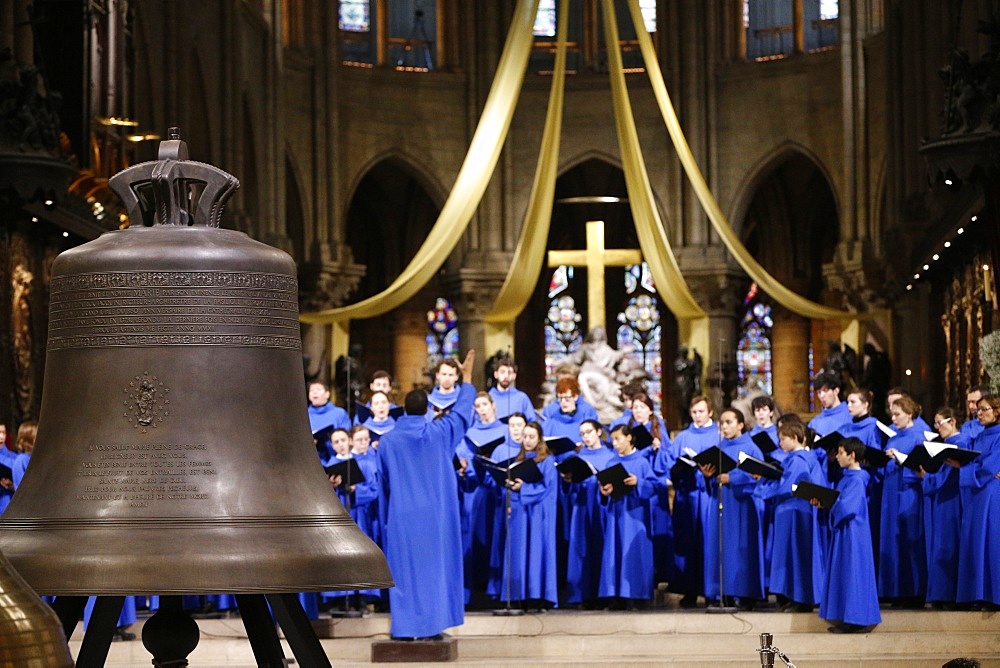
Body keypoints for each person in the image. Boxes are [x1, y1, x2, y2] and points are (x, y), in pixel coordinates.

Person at [378, 375, 476, 640]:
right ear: (428, 410)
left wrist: (384, 519)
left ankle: (404, 628)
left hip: (401, 517)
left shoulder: (388, 442)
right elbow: (463, 413)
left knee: (404, 573)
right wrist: (465, 382)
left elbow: (382, 484)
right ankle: (432, 627)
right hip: (434, 516)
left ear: (403, 410)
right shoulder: (439, 433)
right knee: (433, 571)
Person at [752, 420, 825, 612]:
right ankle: (797, 598)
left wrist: (763, 486)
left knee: (795, 555)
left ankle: (800, 599)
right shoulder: (805, 458)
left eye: (782, 439)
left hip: (794, 512)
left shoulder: (799, 460)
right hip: (796, 511)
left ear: (794, 438)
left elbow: (789, 487)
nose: (780, 444)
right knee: (795, 555)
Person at [700, 408, 765, 610]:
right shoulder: (718, 447)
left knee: (740, 549)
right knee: (719, 547)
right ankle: (723, 593)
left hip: (742, 505)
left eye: (729, 422)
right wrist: (707, 474)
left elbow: (759, 477)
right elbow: (712, 480)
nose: (724, 427)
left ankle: (745, 594)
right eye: (722, 423)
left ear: (740, 425)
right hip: (720, 501)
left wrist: (733, 477)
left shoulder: (751, 448)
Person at [815, 437, 881, 634]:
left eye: (841, 453)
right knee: (845, 570)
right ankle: (847, 617)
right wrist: (824, 504)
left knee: (853, 571)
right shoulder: (847, 477)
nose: (837, 456)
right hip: (845, 531)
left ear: (852, 456)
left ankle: (857, 619)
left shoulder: (858, 479)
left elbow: (847, 507)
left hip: (853, 533)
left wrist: (830, 504)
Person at [496, 421, 558, 610]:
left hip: (539, 513)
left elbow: (548, 489)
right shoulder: (518, 460)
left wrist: (525, 488)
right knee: (519, 551)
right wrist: (509, 484)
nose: (528, 440)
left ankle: (538, 596)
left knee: (537, 552)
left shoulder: (547, 461)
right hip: (521, 513)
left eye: (532, 437)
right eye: (525, 436)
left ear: (540, 438)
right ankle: (518, 595)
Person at [597, 424, 657, 609]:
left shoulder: (641, 462)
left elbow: (654, 486)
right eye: (612, 440)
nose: (614, 444)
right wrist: (604, 491)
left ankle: (636, 596)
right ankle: (616, 596)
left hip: (635, 515)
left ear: (629, 438)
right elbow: (603, 488)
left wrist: (638, 482)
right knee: (614, 552)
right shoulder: (611, 462)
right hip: (616, 514)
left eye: (618, 439)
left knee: (634, 554)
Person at [879, 395, 927, 608]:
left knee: (911, 540)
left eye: (898, 414)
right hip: (891, 492)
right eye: (892, 414)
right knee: (894, 540)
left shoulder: (920, 436)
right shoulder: (894, 435)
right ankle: (897, 591)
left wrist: (901, 458)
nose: (894, 418)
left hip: (909, 492)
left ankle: (915, 592)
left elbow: (923, 468)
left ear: (910, 414)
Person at [669, 395, 717, 608]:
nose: (698, 416)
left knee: (708, 542)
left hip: (708, 495)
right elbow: (670, 466)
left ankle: (711, 591)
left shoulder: (718, 434)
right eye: (694, 412)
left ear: (710, 412)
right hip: (686, 496)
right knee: (686, 543)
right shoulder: (682, 437)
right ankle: (688, 590)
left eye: (701, 412)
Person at [563, 420, 615, 607]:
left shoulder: (610, 456)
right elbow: (568, 487)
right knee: (581, 550)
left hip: (602, 509)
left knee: (602, 549)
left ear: (599, 432)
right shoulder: (577, 457)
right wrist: (567, 480)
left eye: (589, 432)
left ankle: (604, 595)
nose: (585, 437)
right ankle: (582, 595)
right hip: (582, 507)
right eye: (582, 434)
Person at [956, 393, 1000, 609]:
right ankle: (977, 594)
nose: (979, 413)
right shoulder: (979, 435)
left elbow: (989, 467)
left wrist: (964, 469)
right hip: (977, 493)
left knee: (990, 541)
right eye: (978, 410)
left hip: (991, 494)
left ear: (997, 411)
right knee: (975, 542)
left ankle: (993, 596)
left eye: (984, 410)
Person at [628, 392, 675, 587]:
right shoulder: (630, 430)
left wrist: (658, 448)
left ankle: (660, 571)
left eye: (642, 407)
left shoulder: (658, 428)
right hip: (637, 484)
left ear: (649, 409)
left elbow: (669, 457)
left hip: (656, 485)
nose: (638, 411)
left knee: (659, 527)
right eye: (635, 407)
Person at [923, 406, 967, 608]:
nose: (938, 427)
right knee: (940, 544)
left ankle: (949, 595)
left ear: (953, 422)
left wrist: (926, 478)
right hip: (943, 500)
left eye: (940, 422)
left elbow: (948, 477)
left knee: (949, 545)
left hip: (952, 499)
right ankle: (941, 595)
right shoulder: (947, 444)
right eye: (936, 423)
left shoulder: (959, 443)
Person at [307, 382, 351, 457]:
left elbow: (347, 435)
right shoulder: (305, 415)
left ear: (327, 394)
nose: (314, 392)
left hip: (334, 458)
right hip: (310, 457)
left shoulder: (339, 413)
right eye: (311, 390)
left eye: (318, 389)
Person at [0, 422, 15, 514]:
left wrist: (12, 486)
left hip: (7, 504)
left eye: (3, 432)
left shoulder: (15, 458)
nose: (1, 436)